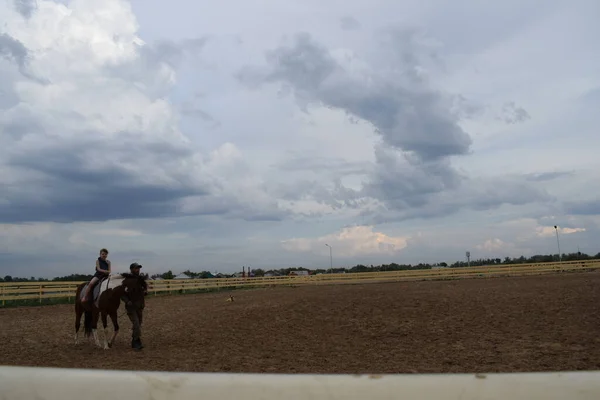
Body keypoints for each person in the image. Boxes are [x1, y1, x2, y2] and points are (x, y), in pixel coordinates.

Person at [121, 262, 148, 350]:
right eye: (136, 268)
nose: (138, 270)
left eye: (138, 268)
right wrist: (127, 301)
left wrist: (145, 292)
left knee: (138, 324)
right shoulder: (126, 281)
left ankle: (135, 340)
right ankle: (136, 341)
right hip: (131, 307)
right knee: (136, 323)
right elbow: (122, 294)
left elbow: (144, 289)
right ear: (132, 269)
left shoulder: (140, 280)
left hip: (139, 305)